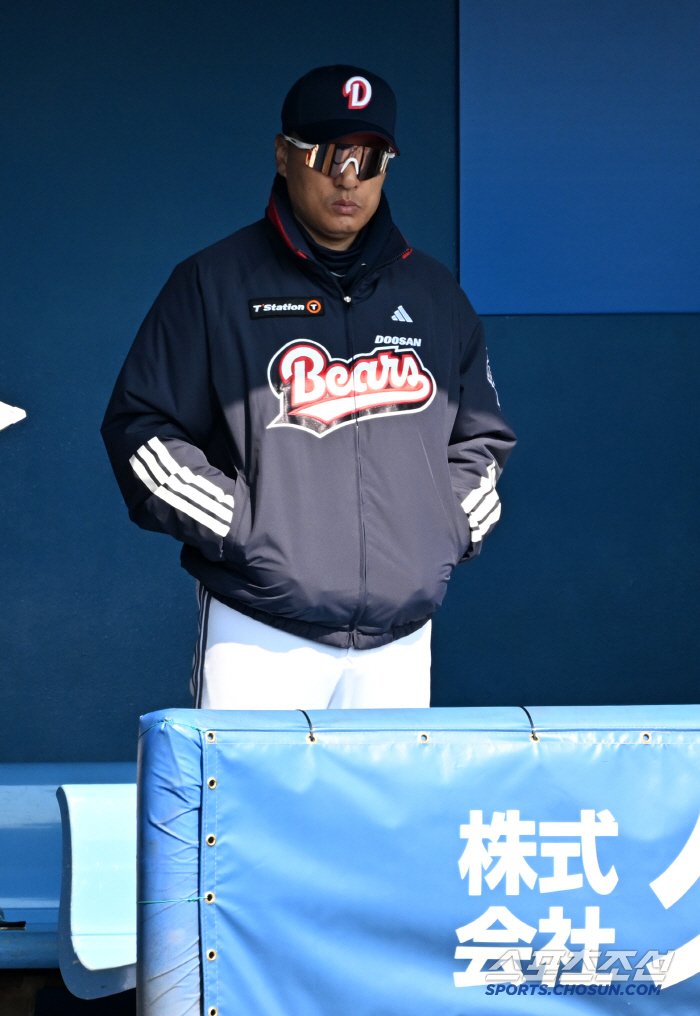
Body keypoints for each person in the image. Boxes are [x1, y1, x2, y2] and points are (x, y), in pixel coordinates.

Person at [101, 65, 516, 711]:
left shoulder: (434, 294)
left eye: (370, 158)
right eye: (328, 155)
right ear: (283, 154)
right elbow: (142, 426)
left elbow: (481, 439)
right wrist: (248, 532)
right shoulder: (213, 281)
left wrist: (440, 533)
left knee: (388, 813)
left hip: (402, 633)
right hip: (262, 629)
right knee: (246, 812)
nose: (348, 177)